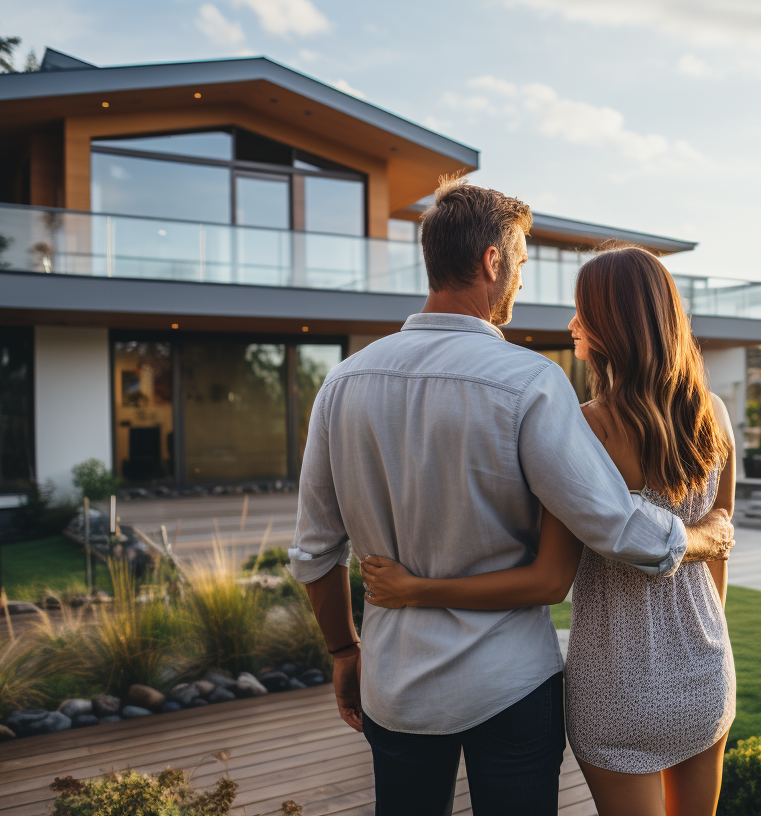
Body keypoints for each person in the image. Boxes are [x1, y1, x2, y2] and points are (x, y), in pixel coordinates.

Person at [286, 177, 735, 816]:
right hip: (511, 689)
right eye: (521, 261)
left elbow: (313, 552)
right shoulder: (531, 383)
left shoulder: (342, 383)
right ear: (492, 261)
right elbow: (616, 529)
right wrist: (704, 536)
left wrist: (342, 650)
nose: (522, 279)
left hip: (395, 681)